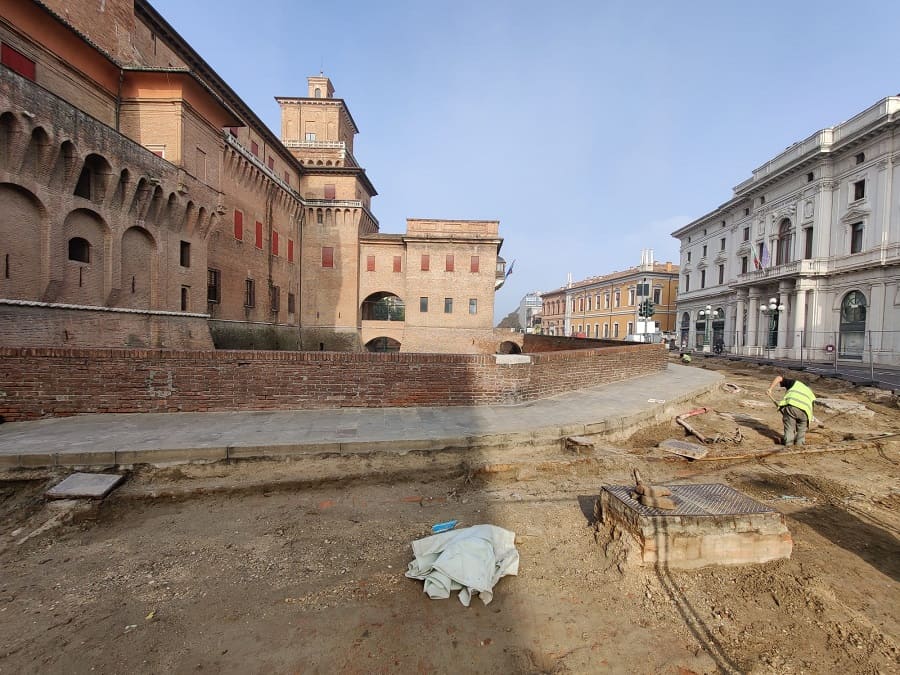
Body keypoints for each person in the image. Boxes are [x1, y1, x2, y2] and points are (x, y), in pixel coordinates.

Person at [768, 374, 816, 446]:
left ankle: (788, 444)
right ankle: (800, 445)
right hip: (806, 412)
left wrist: (770, 389)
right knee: (801, 432)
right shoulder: (811, 392)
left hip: (792, 407)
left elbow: (779, 378)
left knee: (789, 428)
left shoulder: (795, 383)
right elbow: (811, 409)